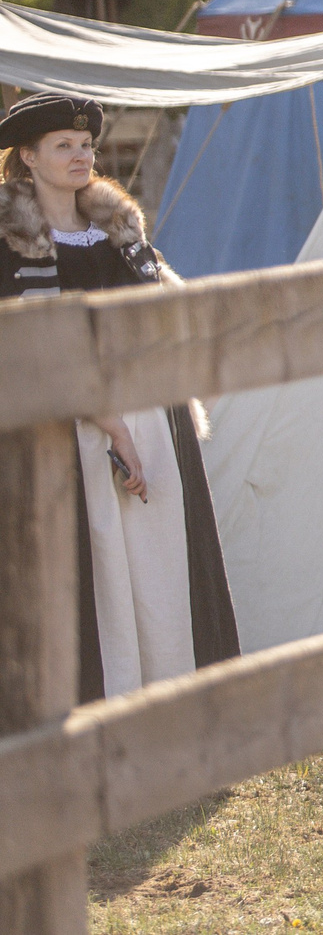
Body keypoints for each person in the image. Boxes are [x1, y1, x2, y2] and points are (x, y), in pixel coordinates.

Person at [0, 91, 239, 699]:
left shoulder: (119, 233)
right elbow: (36, 350)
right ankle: (99, 714)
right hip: (65, 433)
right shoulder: (11, 245)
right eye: (63, 147)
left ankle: (177, 709)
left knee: (161, 573)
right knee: (95, 572)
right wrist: (113, 427)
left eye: (86, 146)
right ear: (27, 156)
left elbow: (166, 318)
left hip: (154, 422)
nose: (81, 156)